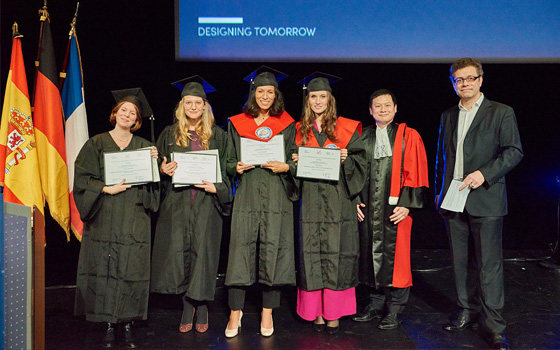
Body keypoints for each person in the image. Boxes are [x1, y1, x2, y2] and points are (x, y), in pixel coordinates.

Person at [435, 58, 522, 350]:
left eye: (470, 78)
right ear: (453, 83)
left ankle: (494, 326)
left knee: (489, 266)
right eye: (459, 80)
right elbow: (441, 159)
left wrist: (483, 174)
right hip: (454, 199)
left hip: (486, 197)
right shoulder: (448, 115)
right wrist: (440, 193)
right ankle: (466, 311)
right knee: (459, 263)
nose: (465, 84)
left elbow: (513, 152)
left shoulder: (501, 112)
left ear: (481, 80)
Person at [74, 88, 160, 348]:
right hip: (105, 213)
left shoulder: (145, 147)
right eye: (123, 110)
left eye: (132, 112)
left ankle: (128, 321)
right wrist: (105, 188)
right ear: (115, 114)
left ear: (137, 120)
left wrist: (154, 164)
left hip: (134, 216)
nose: (127, 114)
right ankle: (109, 322)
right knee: (105, 266)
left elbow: (154, 189)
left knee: (132, 266)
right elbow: (82, 179)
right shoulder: (96, 143)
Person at [150, 77, 232, 334]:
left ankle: (202, 304)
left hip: (207, 202)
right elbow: (160, 169)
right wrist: (162, 169)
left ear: (205, 106)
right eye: (189, 102)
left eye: (198, 102)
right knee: (179, 253)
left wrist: (216, 187)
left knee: (204, 254)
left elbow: (229, 173)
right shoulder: (169, 133)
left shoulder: (219, 135)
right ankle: (187, 304)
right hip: (178, 203)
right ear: (181, 105)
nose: (193, 107)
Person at [224, 67, 298, 338]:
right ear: (253, 93)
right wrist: (236, 167)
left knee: (273, 249)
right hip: (248, 191)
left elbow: (295, 158)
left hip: (277, 193)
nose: (265, 96)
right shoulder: (236, 123)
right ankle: (235, 312)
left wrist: (286, 166)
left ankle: (267, 311)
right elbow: (227, 160)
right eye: (260, 91)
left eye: (270, 92)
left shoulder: (287, 124)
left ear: (275, 94)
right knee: (239, 250)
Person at [293, 74, 366, 335]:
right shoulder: (299, 129)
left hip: (338, 201)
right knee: (311, 252)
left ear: (330, 99)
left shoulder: (347, 128)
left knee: (338, 252)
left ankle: (333, 312)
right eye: (313, 96)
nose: (318, 101)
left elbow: (362, 164)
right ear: (307, 100)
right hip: (311, 200)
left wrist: (347, 159)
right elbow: (291, 166)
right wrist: (295, 163)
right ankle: (316, 312)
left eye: (323, 96)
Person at [353, 89, 429, 330]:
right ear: (370, 110)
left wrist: (407, 204)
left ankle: (394, 310)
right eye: (378, 105)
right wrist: (354, 200)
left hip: (396, 210)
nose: (383, 109)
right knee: (368, 256)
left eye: (387, 105)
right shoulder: (362, 136)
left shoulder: (409, 136)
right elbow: (351, 172)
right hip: (368, 209)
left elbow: (417, 171)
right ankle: (374, 305)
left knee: (398, 261)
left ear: (396, 108)